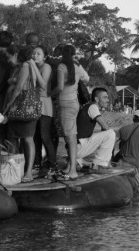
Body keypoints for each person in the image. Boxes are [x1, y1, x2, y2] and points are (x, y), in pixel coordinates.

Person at [2, 45, 45, 182]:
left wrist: (9, 104)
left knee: (24, 139)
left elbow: (19, 88)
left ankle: (25, 172)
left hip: (22, 106)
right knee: (27, 139)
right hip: (28, 108)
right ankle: (24, 172)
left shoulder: (26, 66)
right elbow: (41, 85)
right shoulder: (30, 66)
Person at [54, 44, 89, 179]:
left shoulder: (62, 66)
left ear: (63, 54)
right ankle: (71, 167)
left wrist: (51, 93)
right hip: (74, 103)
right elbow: (87, 79)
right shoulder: (77, 66)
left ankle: (73, 170)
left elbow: (60, 87)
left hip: (65, 103)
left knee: (70, 137)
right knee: (71, 136)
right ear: (74, 54)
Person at [76, 87, 116, 173]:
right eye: (105, 97)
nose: (107, 100)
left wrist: (104, 128)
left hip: (75, 147)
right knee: (111, 133)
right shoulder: (93, 106)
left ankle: (79, 163)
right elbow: (105, 127)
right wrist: (106, 126)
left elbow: (103, 128)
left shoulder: (87, 106)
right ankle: (100, 165)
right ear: (97, 99)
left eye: (107, 97)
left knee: (106, 133)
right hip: (78, 147)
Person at [31, 45, 57, 177]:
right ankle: (37, 164)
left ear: (45, 57)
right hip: (34, 104)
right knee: (35, 137)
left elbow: (43, 84)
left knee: (44, 135)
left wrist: (33, 67)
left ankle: (53, 166)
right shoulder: (32, 67)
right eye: (34, 53)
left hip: (44, 104)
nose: (35, 56)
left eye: (38, 54)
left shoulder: (46, 67)